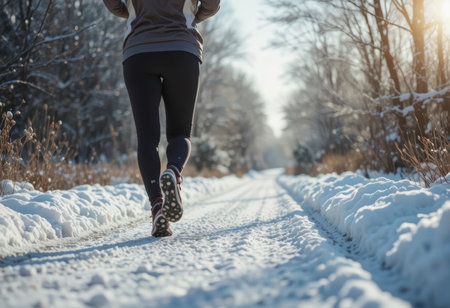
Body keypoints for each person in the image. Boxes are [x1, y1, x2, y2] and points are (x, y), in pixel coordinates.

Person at [103, 0, 220, 237]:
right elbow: (212, 4)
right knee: (180, 132)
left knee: (147, 138)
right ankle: (173, 172)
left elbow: (112, 3)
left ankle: (158, 207)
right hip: (182, 50)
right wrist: (194, 17)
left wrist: (136, 12)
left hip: (139, 52)